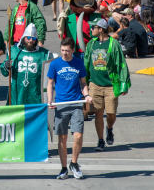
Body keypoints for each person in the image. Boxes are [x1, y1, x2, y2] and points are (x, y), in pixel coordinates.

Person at [83, 19, 130, 152]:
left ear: (101, 29)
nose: (91, 29)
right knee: (98, 113)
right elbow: (86, 62)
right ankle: (100, 140)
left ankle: (109, 128)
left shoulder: (113, 43)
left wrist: (123, 83)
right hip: (94, 83)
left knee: (110, 113)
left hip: (110, 84)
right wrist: (83, 82)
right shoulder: (91, 44)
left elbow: (121, 63)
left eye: (94, 27)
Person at [47, 37, 90, 180]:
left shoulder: (79, 63)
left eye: (67, 51)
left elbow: (83, 83)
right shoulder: (55, 64)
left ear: (73, 50)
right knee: (62, 138)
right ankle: (64, 168)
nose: (64, 53)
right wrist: (50, 100)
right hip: (61, 104)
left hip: (77, 103)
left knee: (78, 136)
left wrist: (87, 95)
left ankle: (74, 163)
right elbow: (50, 84)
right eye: (62, 50)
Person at [1, 23, 51, 105]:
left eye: (33, 38)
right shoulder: (14, 52)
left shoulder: (43, 54)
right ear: (23, 38)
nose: (31, 40)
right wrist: (6, 66)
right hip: (17, 93)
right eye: (28, 38)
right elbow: (4, 72)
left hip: (35, 94)